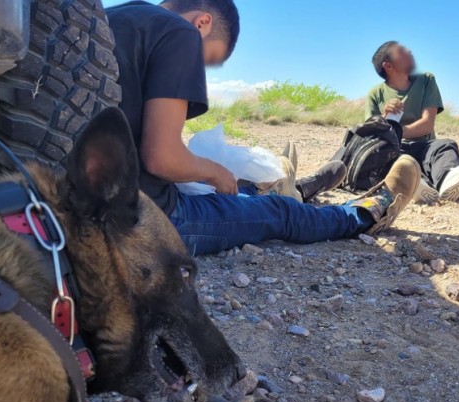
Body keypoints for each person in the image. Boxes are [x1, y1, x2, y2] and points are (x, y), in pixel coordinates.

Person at [105, 0, 420, 255]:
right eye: (206, 59)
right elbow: (161, 157)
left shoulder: (106, 19)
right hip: (142, 222)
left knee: (235, 191)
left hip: (87, 205)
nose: (198, 70)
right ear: (202, 23)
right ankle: (367, 214)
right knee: (278, 213)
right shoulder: (180, 33)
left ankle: (292, 187)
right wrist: (213, 170)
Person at [365, 41, 459, 204]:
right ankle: (419, 185)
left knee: (445, 145)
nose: (409, 51)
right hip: (396, 147)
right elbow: (373, 135)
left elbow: (427, 124)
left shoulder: (426, 80)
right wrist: (384, 115)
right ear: (388, 65)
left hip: (426, 145)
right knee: (395, 159)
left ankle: (447, 181)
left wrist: (398, 131)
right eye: (401, 51)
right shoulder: (375, 94)